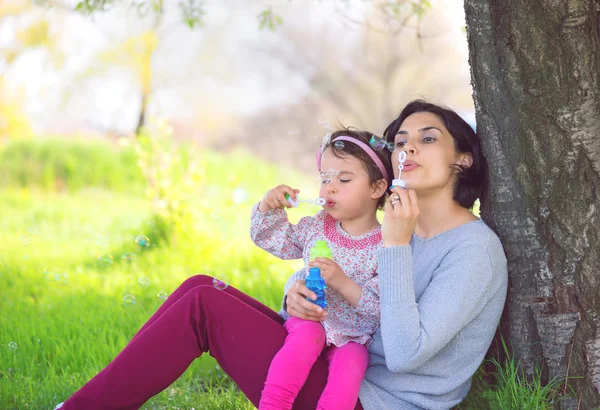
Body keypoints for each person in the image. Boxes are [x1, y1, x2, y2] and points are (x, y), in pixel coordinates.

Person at [56, 100, 508, 410]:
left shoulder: (471, 250)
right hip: (330, 363)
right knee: (199, 286)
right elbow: (344, 289)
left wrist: (392, 247)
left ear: (463, 159)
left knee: (202, 305)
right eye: (402, 139)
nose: (408, 147)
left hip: (366, 397)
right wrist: (295, 298)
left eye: (427, 139)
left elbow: (406, 355)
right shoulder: (395, 226)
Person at [250, 129, 393, 409]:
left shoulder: (387, 244)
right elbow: (273, 240)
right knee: (307, 336)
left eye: (344, 179)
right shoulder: (317, 226)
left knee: (353, 363)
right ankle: (273, 404)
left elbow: (381, 308)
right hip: (309, 319)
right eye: (325, 178)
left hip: (354, 336)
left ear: (377, 188)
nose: (330, 187)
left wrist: (340, 281)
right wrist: (269, 205)